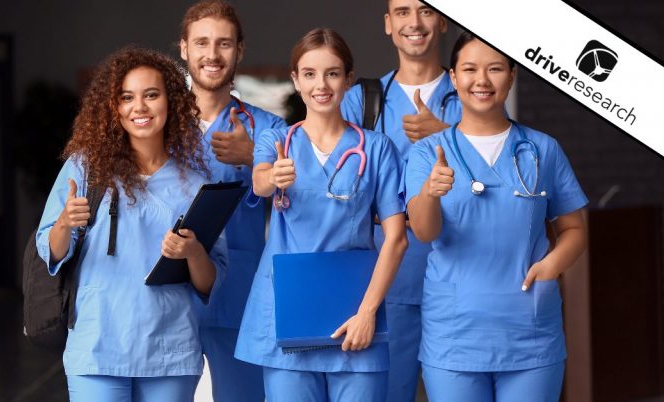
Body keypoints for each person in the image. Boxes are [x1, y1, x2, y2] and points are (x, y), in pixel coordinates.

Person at [404, 32, 588, 402]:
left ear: (512, 74)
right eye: (469, 69)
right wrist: (429, 193)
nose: (482, 80)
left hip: (529, 332)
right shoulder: (427, 153)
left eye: (495, 69)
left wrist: (552, 265)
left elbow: (573, 230)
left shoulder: (542, 149)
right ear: (454, 78)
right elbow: (424, 233)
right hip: (455, 334)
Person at [35, 47, 227, 402]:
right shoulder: (84, 170)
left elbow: (209, 282)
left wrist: (193, 251)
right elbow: (50, 251)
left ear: (171, 103)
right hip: (97, 348)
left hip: (170, 354)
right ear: (113, 108)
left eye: (151, 95)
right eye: (126, 98)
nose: (139, 108)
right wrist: (64, 223)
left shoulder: (195, 185)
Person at [235, 28, 408, 401]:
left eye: (332, 73)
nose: (321, 84)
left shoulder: (376, 149)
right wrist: (272, 176)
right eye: (310, 73)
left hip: (354, 313)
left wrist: (367, 313)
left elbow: (396, 237)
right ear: (295, 80)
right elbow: (261, 180)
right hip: (288, 314)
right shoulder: (278, 142)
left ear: (347, 79)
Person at [340, 1, 460, 399]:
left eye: (426, 11)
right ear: (388, 24)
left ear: (442, 21)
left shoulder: (471, 92)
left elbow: (496, 173)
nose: (414, 22)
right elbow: (319, 164)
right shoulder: (364, 101)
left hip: (461, 271)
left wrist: (445, 134)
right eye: (403, 11)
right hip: (387, 275)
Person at [177, 1, 286, 401]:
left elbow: (309, 196)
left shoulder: (270, 129)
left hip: (240, 297)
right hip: (168, 302)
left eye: (224, 44)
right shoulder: (157, 125)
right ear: (184, 48)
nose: (212, 54)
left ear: (239, 51)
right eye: (202, 42)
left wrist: (252, 155)